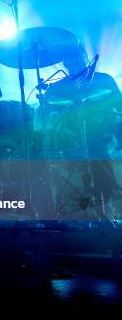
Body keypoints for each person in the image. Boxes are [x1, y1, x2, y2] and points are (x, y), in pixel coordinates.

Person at [43, 44, 121, 218]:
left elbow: (119, 106)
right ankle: (73, 208)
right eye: (70, 59)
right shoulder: (56, 88)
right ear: (65, 63)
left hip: (102, 136)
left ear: (87, 58)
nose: (75, 62)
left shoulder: (104, 80)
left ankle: (107, 208)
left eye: (78, 57)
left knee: (98, 152)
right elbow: (46, 115)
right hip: (69, 138)